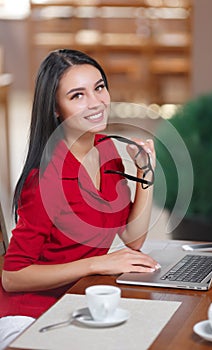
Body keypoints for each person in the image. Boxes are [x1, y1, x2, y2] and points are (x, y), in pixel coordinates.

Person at [0, 49, 159, 348]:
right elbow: (12, 277)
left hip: (78, 300)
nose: (96, 102)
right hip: (28, 315)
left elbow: (133, 239)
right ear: (56, 108)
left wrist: (145, 171)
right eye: (77, 96)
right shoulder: (45, 179)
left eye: (99, 88)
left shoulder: (107, 150)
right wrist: (96, 264)